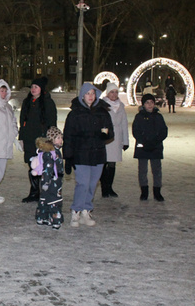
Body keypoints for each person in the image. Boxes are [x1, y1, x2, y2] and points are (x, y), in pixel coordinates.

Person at [62, 82, 113, 227]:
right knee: (83, 183)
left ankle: (86, 209)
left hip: (98, 154)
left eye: (93, 93)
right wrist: (68, 157)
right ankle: (76, 211)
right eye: (87, 93)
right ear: (82, 96)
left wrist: (106, 135)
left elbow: (110, 131)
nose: (91, 96)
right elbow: (68, 136)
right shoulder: (75, 114)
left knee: (92, 184)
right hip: (81, 154)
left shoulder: (102, 112)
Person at [18, 76, 57, 203]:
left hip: (42, 140)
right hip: (29, 139)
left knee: (44, 165)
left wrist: (51, 139)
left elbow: (52, 122)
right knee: (32, 165)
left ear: (41, 89)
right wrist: (22, 138)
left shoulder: (47, 102)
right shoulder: (27, 102)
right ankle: (34, 192)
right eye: (32, 87)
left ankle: (45, 192)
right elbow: (22, 120)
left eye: (36, 87)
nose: (33, 89)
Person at [132, 93, 169, 201]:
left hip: (156, 146)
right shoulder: (139, 117)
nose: (150, 105)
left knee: (157, 170)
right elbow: (136, 131)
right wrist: (144, 142)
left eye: (151, 102)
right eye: (147, 102)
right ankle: (144, 191)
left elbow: (164, 131)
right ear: (143, 104)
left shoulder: (158, 117)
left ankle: (157, 191)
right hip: (142, 147)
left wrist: (156, 141)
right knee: (142, 170)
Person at [32, 126, 65, 229]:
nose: (61, 140)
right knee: (53, 199)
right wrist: (46, 181)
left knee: (46, 198)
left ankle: (44, 217)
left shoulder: (55, 151)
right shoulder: (50, 153)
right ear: (52, 139)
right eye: (58, 138)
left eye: (61, 138)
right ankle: (54, 219)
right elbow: (48, 168)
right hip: (52, 181)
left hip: (54, 179)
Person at [100, 83, 129, 198]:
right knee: (103, 163)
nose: (114, 94)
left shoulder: (121, 106)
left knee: (112, 164)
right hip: (106, 137)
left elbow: (124, 124)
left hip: (116, 138)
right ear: (107, 93)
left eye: (116, 92)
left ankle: (110, 187)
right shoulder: (102, 105)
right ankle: (104, 187)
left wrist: (125, 141)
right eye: (112, 92)